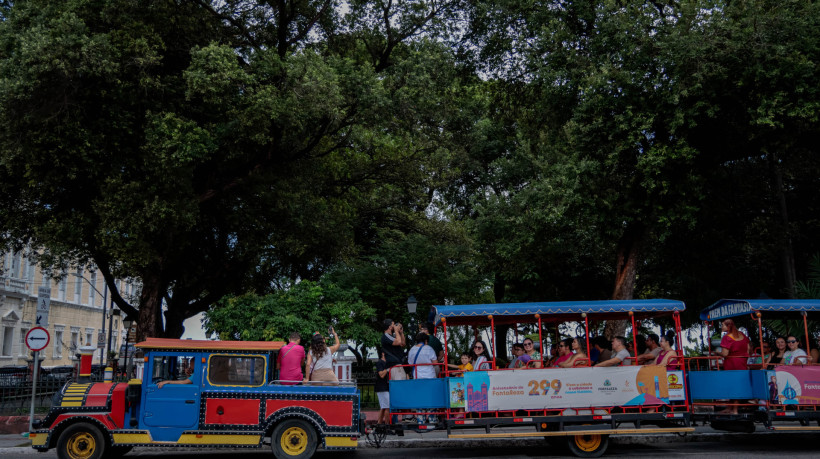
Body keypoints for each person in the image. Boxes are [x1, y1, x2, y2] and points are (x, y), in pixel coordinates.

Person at [375, 349, 390, 424]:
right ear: (383, 354)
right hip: (382, 387)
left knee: (384, 407)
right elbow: (381, 375)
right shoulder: (380, 363)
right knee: (387, 407)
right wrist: (387, 369)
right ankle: (387, 424)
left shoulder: (387, 363)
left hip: (385, 387)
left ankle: (379, 423)